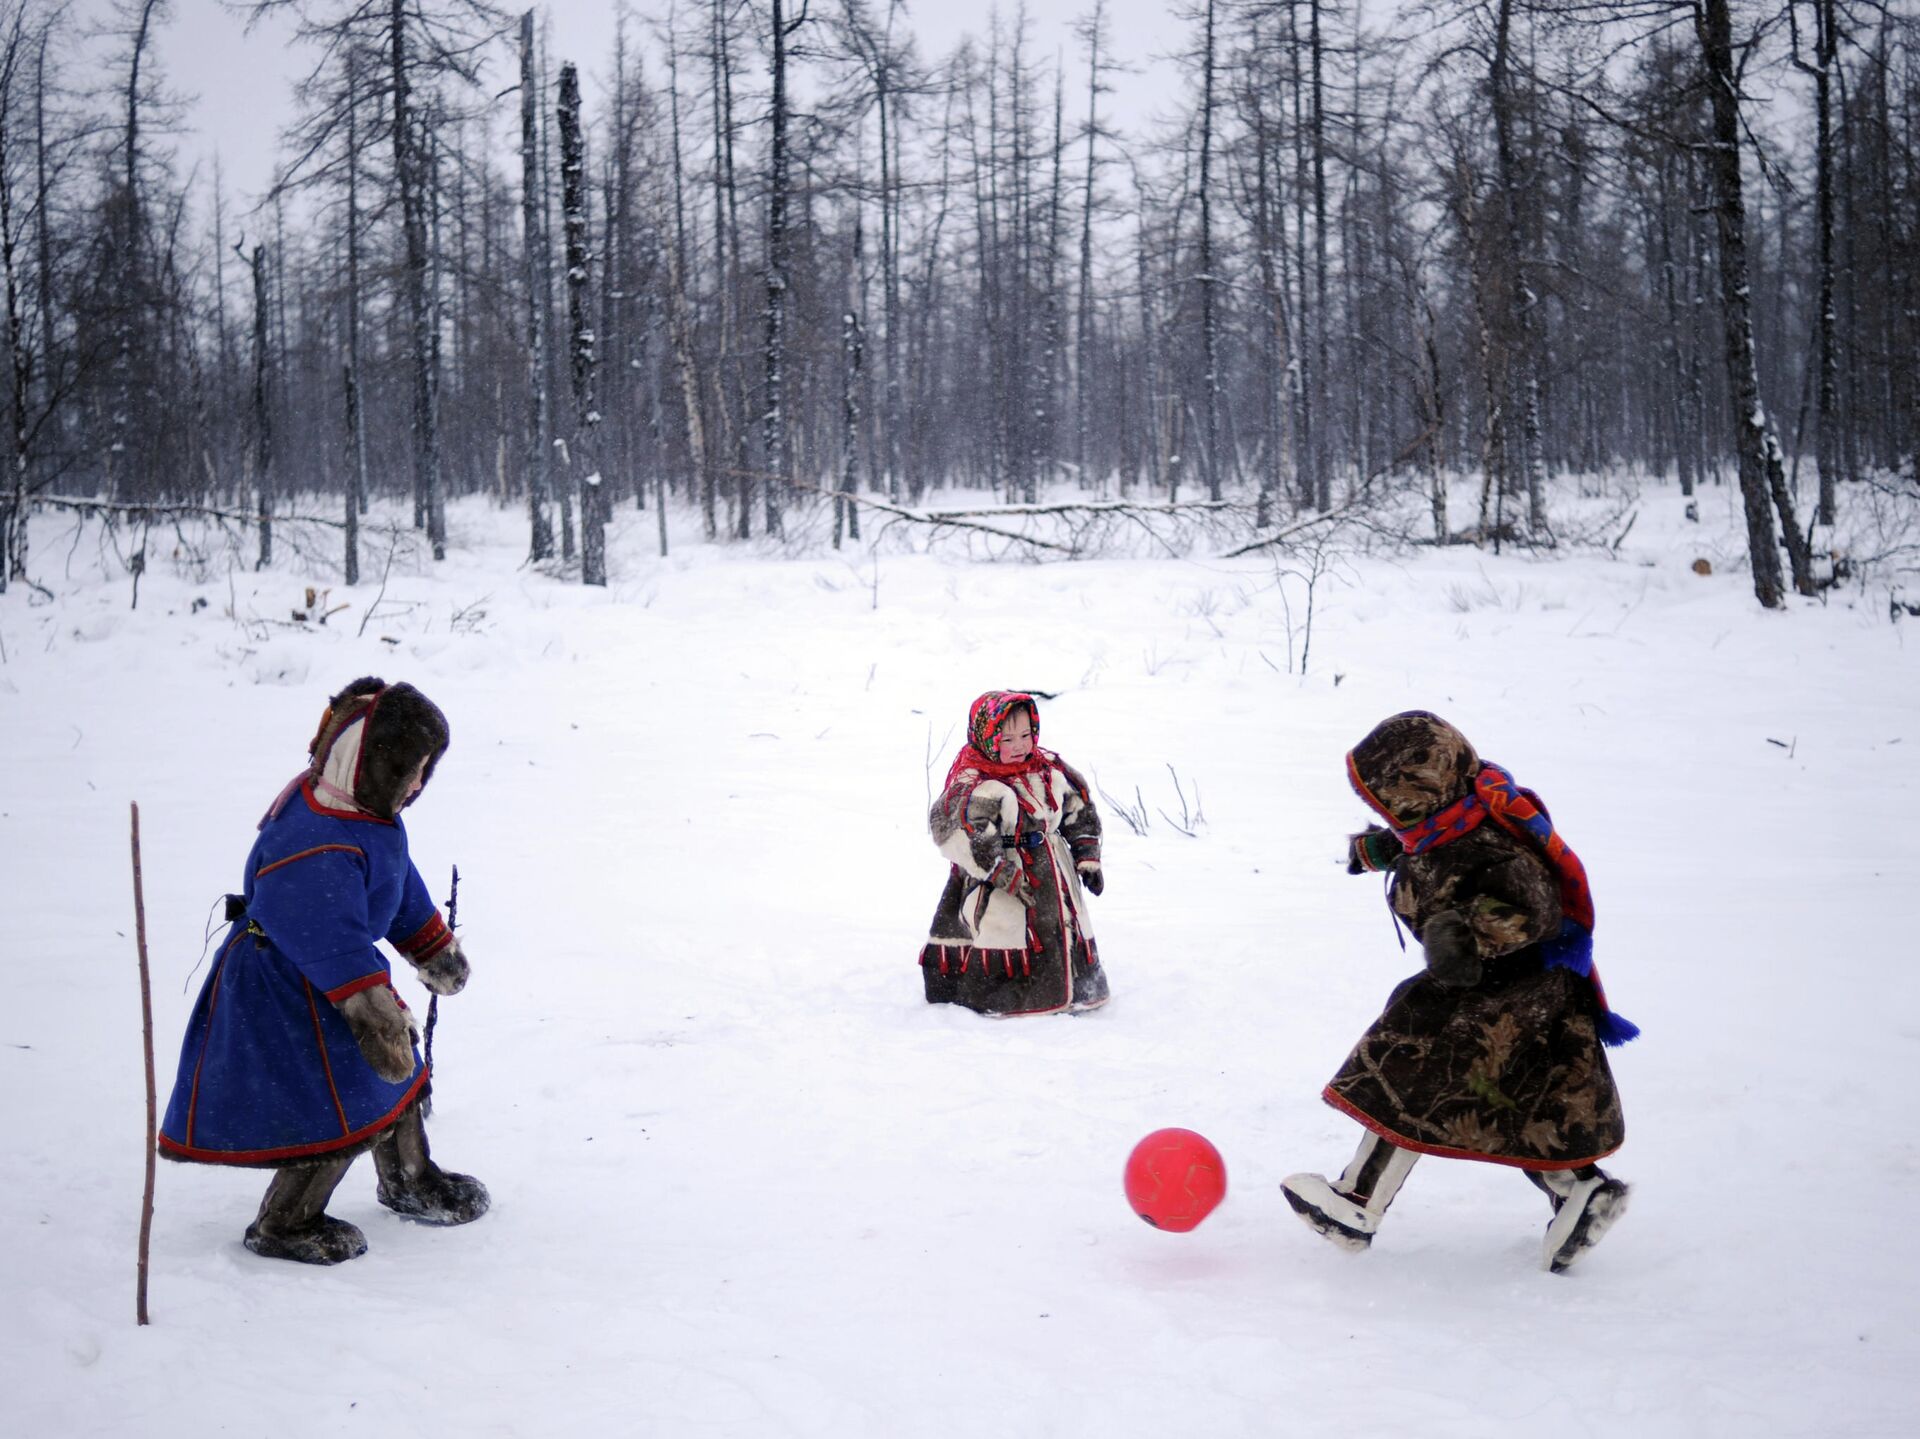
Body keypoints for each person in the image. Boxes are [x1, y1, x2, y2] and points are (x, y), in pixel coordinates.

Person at [1282, 710, 1636, 1273]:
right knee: (1514, 1102)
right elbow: (1425, 852)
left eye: (1388, 801)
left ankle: (1355, 1204)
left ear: (1420, 789)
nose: (1386, 813)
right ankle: (1580, 1195)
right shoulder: (1447, 824)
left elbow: (1534, 906)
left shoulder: (1486, 845)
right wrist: (1380, 851)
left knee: (1411, 1080)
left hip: (1499, 998)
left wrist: (1466, 933)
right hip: (1500, 1000)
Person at [158, 677, 489, 1265]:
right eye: (409, 770)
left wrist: (431, 947)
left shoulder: (365, 815)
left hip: (341, 978)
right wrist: (376, 1014)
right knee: (330, 1107)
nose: (417, 785)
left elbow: (395, 884)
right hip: (287, 990)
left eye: (424, 771)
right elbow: (324, 934)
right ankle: (286, 1221)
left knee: (395, 1078)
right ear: (369, 763)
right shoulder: (309, 841)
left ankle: (409, 1180)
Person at [919, 691, 1109, 1016]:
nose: (1020, 746)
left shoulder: (1048, 769)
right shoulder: (977, 782)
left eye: (1026, 735)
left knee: (1060, 923)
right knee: (1007, 928)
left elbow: (1078, 807)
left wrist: (1086, 854)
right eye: (1007, 738)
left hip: (1055, 870)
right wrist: (999, 869)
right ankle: (1004, 997)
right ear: (986, 736)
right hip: (1003, 881)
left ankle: (1074, 988)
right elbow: (959, 828)